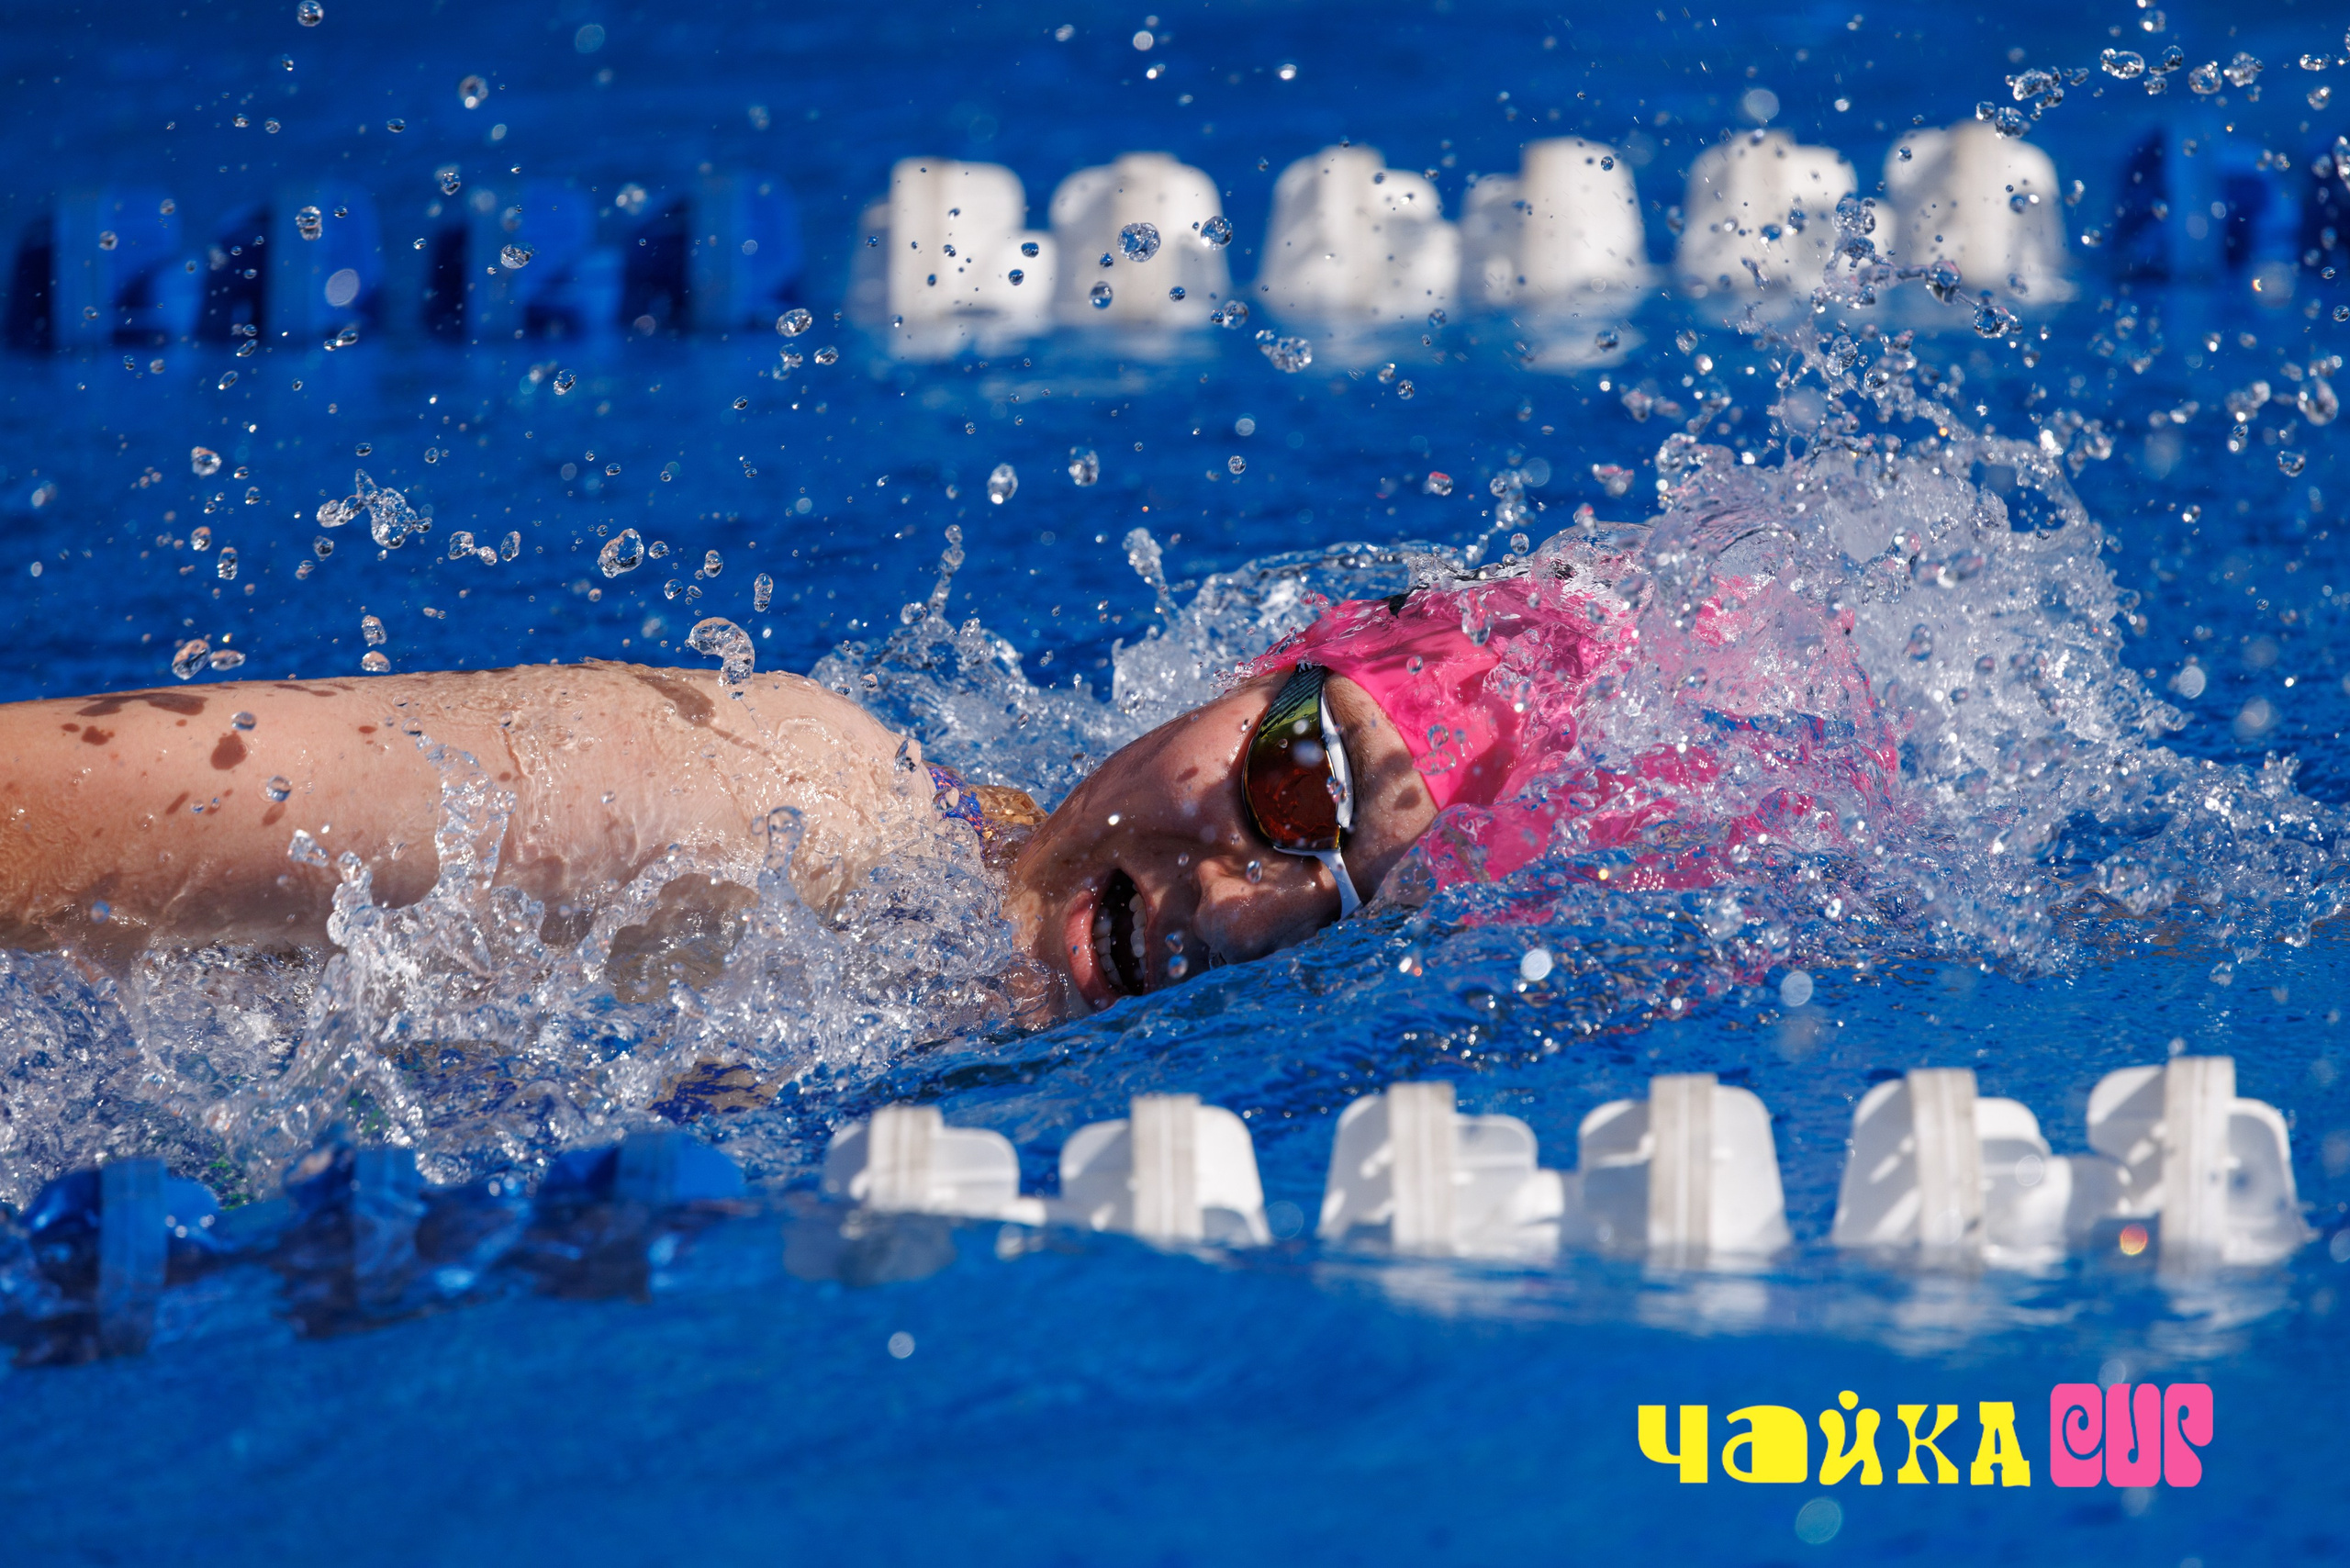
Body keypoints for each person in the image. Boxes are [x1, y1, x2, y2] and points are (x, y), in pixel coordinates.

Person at [0, 563, 1639, 1018]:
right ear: (1236, 689)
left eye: (1345, 894)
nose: (1249, 894)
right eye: (1295, 779)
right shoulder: (776, 797)